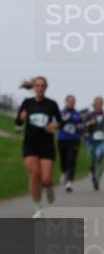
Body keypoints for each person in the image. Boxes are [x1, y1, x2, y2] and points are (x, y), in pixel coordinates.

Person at [14, 77, 61, 218]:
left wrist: (55, 125)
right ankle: (38, 208)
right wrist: (21, 118)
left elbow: (60, 121)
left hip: (46, 145)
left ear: (46, 87)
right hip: (30, 144)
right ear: (34, 87)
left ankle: (49, 187)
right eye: (37, 86)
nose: (40, 88)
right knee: (35, 175)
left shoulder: (51, 104)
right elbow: (18, 122)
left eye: (42, 86)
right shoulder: (27, 103)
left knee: (46, 179)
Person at [58, 95, 83, 192]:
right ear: (66, 102)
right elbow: (57, 124)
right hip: (63, 139)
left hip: (74, 139)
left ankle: (69, 182)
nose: (71, 103)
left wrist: (80, 126)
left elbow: (83, 124)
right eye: (69, 102)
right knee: (63, 159)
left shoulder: (78, 114)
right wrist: (64, 119)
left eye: (73, 102)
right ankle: (64, 172)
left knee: (72, 160)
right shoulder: (61, 113)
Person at [84, 96, 104, 192]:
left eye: (101, 103)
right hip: (91, 141)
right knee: (93, 161)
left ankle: (97, 178)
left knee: (99, 157)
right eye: (98, 103)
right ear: (94, 104)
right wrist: (89, 124)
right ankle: (93, 175)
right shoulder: (89, 115)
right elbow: (83, 126)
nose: (99, 104)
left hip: (102, 141)